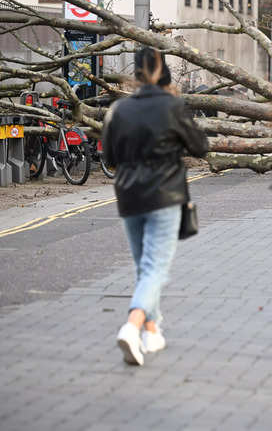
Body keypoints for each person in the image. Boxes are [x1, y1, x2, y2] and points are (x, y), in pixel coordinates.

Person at [102, 47, 209, 366]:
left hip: (129, 196)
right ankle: (133, 326)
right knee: (154, 269)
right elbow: (200, 146)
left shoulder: (119, 109)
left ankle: (152, 331)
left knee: (144, 267)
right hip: (165, 196)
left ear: (135, 74)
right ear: (166, 75)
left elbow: (108, 157)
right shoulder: (173, 106)